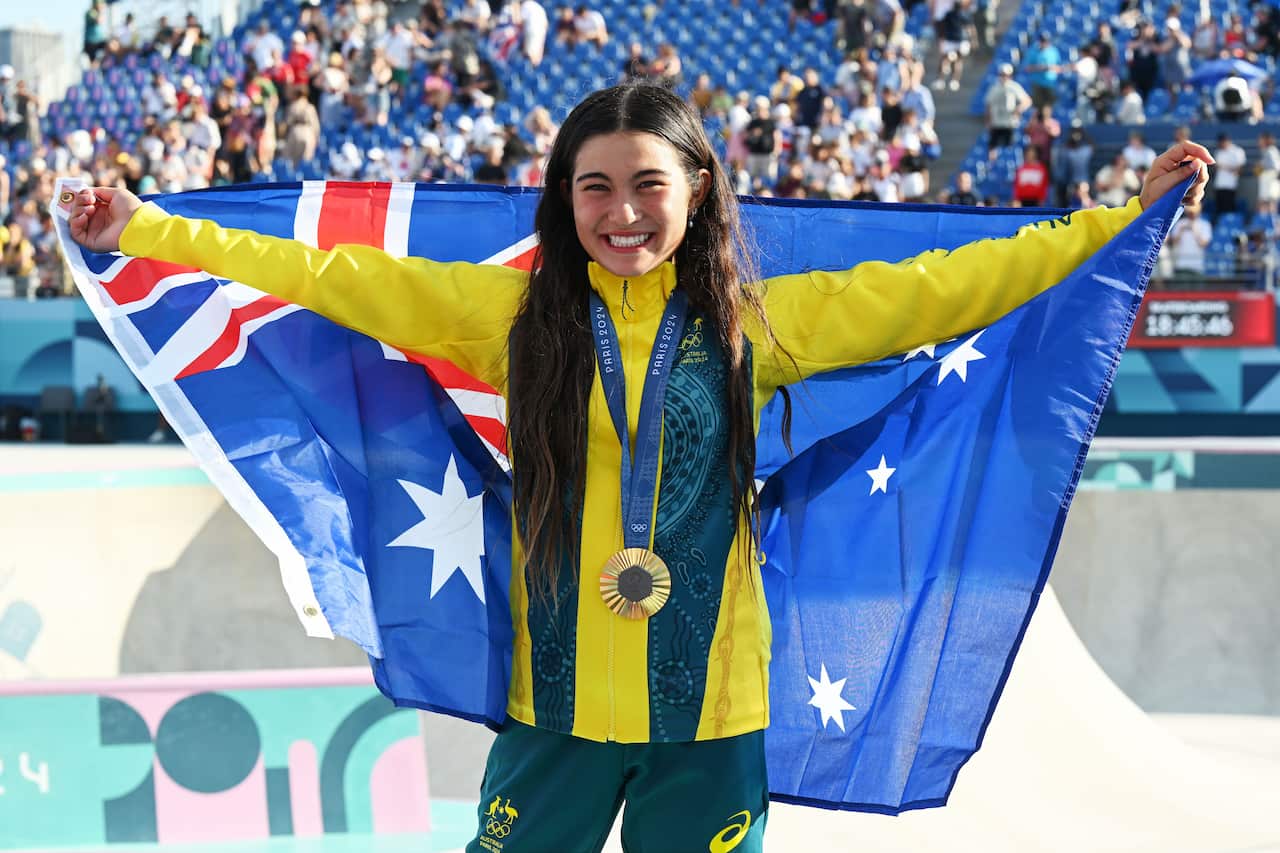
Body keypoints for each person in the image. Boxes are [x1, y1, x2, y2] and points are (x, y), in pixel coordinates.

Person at [67, 84, 1210, 853]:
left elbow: (950, 285)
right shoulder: (501, 313)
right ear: (564, 202)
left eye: (646, 185)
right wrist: (151, 229)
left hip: (710, 720)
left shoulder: (762, 321)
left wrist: (1115, 218)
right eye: (594, 188)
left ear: (697, 188)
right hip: (553, 711)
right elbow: (323, 272)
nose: (621, 213)